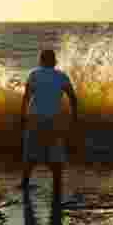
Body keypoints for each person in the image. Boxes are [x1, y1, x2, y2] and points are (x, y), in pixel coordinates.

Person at [20, 49, 78, 189]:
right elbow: (73, 98)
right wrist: (74, 117)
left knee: (30, 154)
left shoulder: (34, 74)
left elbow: (26, 97)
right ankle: (57, 184)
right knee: (55, 154)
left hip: (35, 117)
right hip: (53, 119)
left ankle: (25, 183)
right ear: (54, 61)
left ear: (41, 61)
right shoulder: (62, 76)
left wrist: (23, 116)